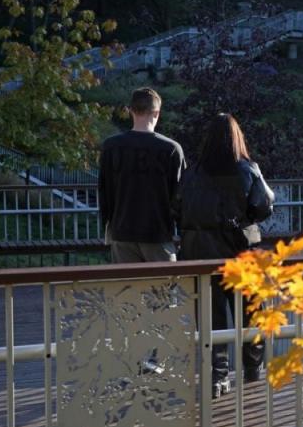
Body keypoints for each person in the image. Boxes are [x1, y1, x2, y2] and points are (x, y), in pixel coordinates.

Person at [174, 113, 274, 398]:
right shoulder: (247, 169)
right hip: (238, 255)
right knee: (250, 316)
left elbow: (176, 208)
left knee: (210, 320)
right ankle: (252, 374)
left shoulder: (192, 173)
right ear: (237, 137)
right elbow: (264, 205)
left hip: (198, 256)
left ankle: (217, 379)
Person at [98, 87, 185, 263]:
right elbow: (180, 195)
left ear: (130, 111)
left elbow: (104, 190)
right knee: (164, 289)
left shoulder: (111, 146)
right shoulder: (171, 149)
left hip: (122, 231)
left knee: (128, 288)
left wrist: (108, 224)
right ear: (157, 113)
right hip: (158, 232)